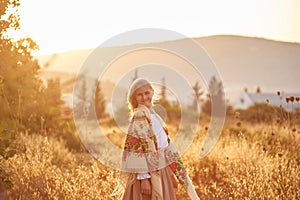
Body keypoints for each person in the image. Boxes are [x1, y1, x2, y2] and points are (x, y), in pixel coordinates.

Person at [120, 78, 200, 200]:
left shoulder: (154, 116)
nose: (144, 97)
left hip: (161, 172)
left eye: (147, 93)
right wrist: (144, 178)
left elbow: (164, 146)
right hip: (147, 176)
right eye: (139, 95)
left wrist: (171, 173)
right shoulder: (139, 117)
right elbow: (136, 149)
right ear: (134, 98)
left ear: (152, 92)